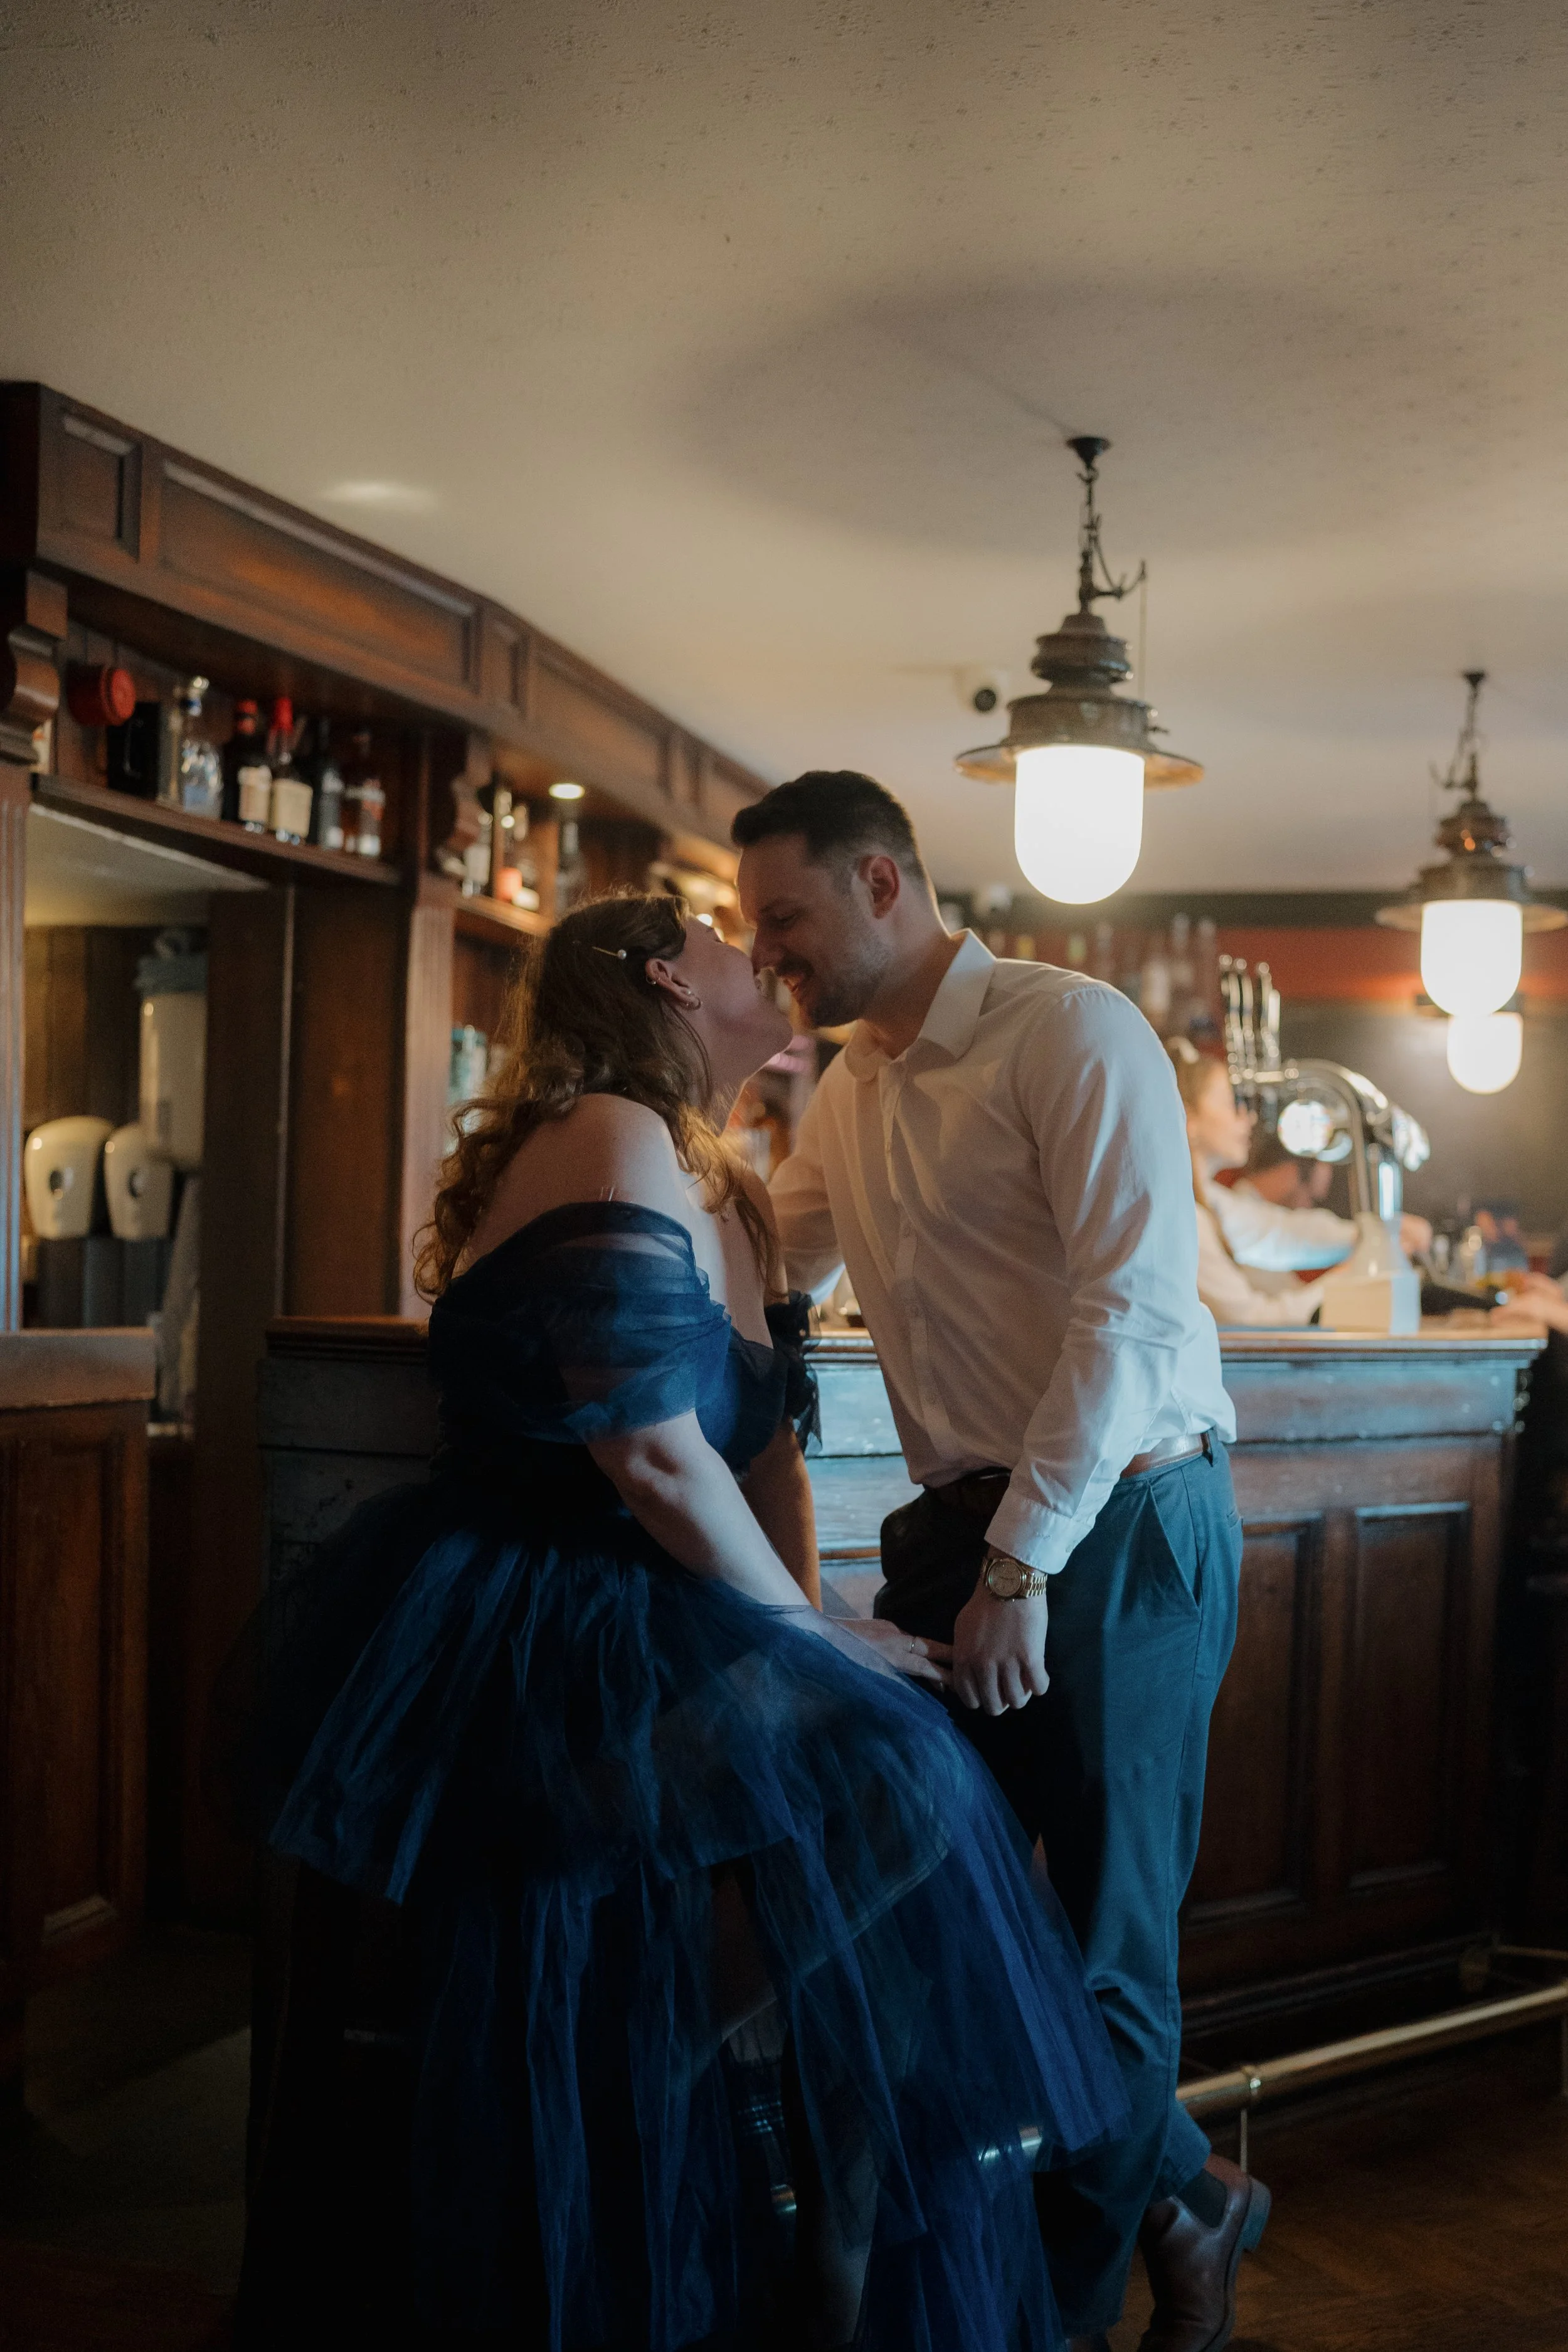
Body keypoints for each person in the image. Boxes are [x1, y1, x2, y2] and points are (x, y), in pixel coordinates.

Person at [243, 889, 1128, 2352]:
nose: (761, 956)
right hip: (536, 1613)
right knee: (897, 1779)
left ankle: (830, 2199)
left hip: (666, 1596)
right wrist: (805, 1632)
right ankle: (653, 2080)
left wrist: (813, 1614)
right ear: (664, 976)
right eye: (730, 939)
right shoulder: (609, 1131)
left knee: (906, 1787)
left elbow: (761, 1450)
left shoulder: (725, 1180)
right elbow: (648, 1454)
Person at [735, 773, 1264, 2352]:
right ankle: (1190, 2197)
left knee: (1101, 1948)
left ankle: (1050, 2318)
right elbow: (772, 1252)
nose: (770, 958)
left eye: (786, 920)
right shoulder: (852, 1085)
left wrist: (1021, 1566)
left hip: (1122, 1525)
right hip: (960, 1538)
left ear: (883, 882)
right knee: (931, 1906)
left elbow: (1131, 1316)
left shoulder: (1072, 1032)